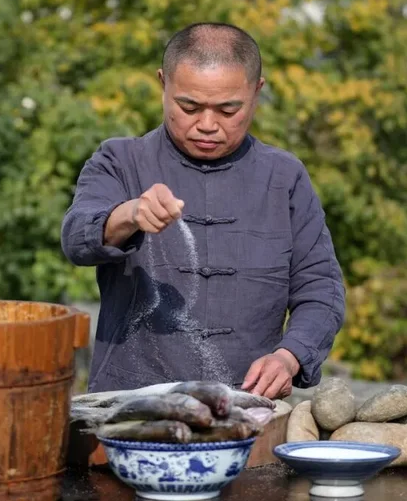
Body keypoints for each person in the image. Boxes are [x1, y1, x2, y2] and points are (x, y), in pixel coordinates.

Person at [61, 22, 345, 399]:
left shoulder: (285, 177)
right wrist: (129, 214)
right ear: (163, 83)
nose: (207, 125)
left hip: (248, 407)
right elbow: (76, 238)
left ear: (256, 92)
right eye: (189, 107)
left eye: (228, 109)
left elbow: (320, 288)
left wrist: (289, 357)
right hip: (131, 409)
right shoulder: (120, 161)